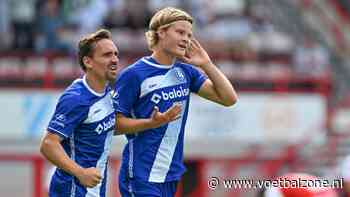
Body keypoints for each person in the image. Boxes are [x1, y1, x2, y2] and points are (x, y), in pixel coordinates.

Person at [114, 7, 238, 197]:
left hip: (170, 174)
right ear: (161, 32)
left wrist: (207, 64)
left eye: (189, 35)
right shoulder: (134, 75)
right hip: (141, 174)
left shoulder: (186, 72)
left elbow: (229, 98)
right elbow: (113, 125)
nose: (186, 39)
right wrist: (151, 123)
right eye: (180, 32)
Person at [40, 29, 119, 197]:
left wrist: (152, 123)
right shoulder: (76, 99)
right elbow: (48, 144)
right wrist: (80, 172)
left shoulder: (106, 92)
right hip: (73, 190)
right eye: (107, 55)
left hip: (93, 190)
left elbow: (109, 127)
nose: (114, 60)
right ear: (88, 62)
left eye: (115, 54)